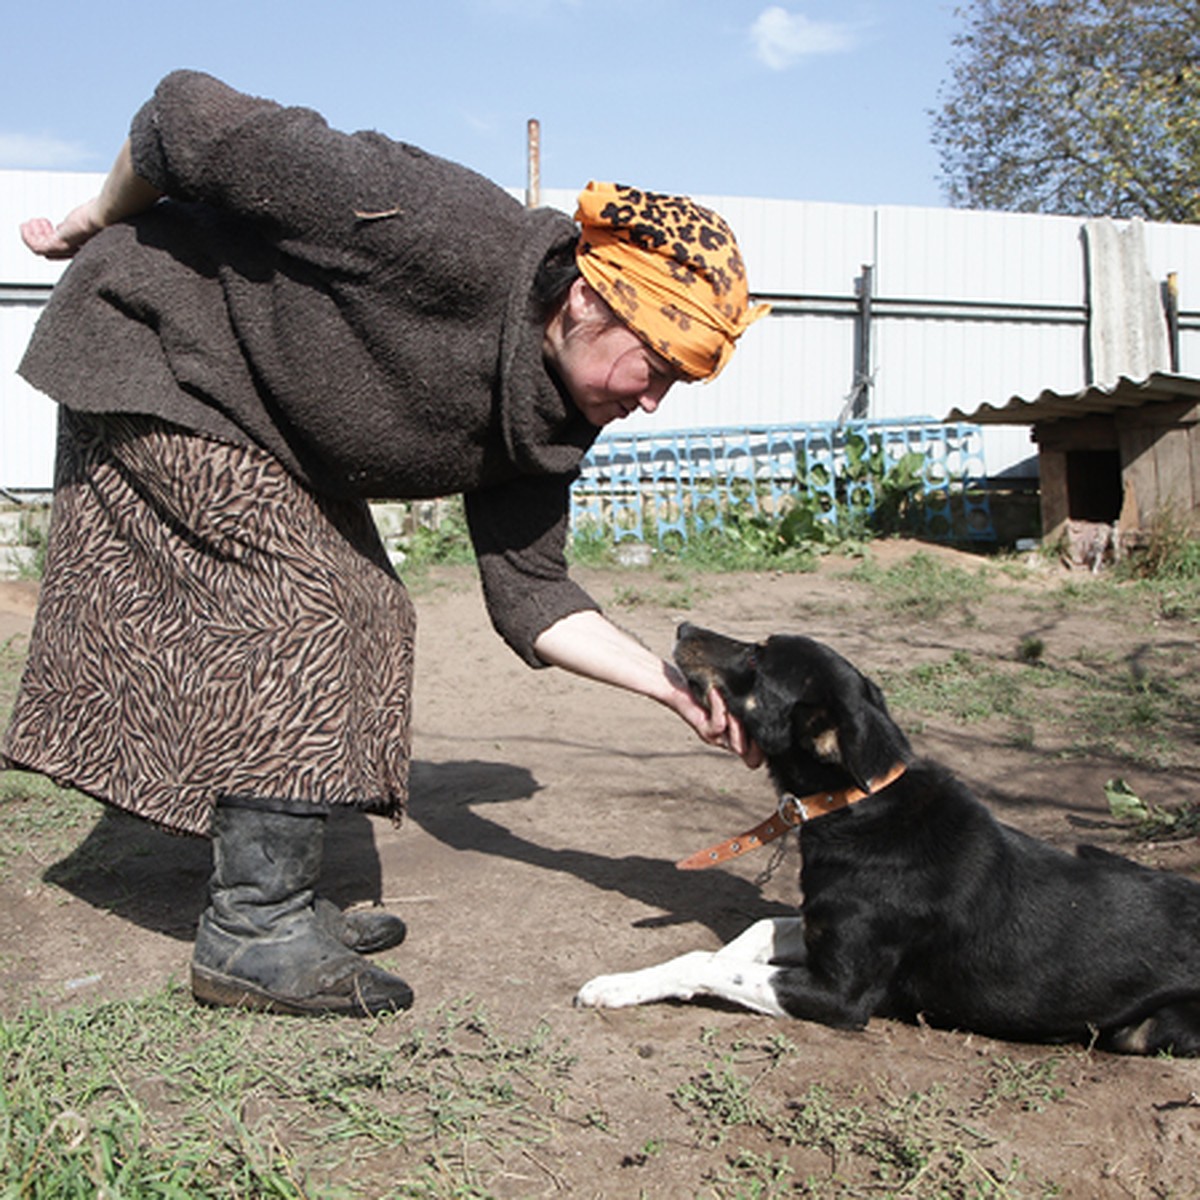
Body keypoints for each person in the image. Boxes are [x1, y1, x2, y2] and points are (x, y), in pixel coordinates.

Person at [5, 70, 768, 1017]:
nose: (650, 400)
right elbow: (183, 115)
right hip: (157, 347)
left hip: (266, 419)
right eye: (655, 366)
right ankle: (253, 930)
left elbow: (531, 591)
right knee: (310, 597)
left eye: (678, 385)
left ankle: (276, 893)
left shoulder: (554, 414)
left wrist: (668, 686)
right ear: (584, 299)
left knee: (373, 605)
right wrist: (92, 215)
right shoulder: (442, 232)